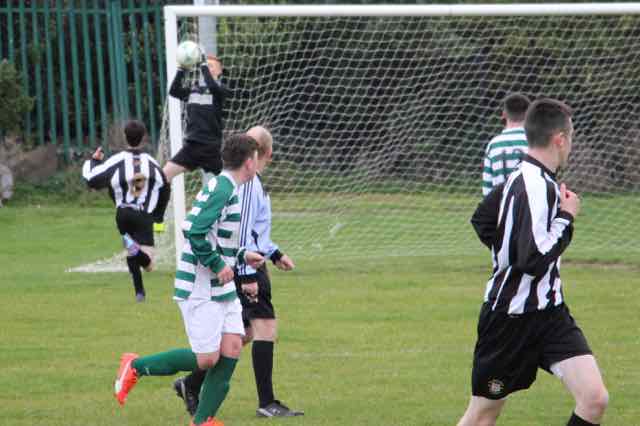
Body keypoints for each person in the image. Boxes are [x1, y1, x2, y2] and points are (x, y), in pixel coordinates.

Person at [459, 98, 608, 426]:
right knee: (483, 414)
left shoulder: (529, 177)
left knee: (594, 398)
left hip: (550, 314)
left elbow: (483, 221)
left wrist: (509, 249)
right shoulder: (532, 185)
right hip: (508, 319)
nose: (571, 145)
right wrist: (567, 217)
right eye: (571, 137)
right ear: (560, 139)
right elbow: (533, 259)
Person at [113, 134, 265, 426]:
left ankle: (203, 421)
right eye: (256, 158)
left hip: (220, 287)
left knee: (233, 346)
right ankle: (135, 366)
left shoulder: (227, 188)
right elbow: (193, 231)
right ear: (249, 162)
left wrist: (242, 255)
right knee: (207, 359)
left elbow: (216, 237)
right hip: (200, 286)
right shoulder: (223, 189)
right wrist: (217, 264)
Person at [173, 126, 303, 418]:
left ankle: (191, 383)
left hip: (249, 262)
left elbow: (255, 230)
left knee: (241, 335)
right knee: (264, 327)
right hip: (244, 268)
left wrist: (275, 254)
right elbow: (238, 233)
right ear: (263, 155)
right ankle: (266, 402)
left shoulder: (252, 182)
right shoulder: (246, 184)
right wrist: (247, 276)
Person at [82, 120, 170, 302]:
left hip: (122, 215)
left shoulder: (117, 160)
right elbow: (164, 187)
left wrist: (94, 161)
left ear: (125, 137)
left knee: (132, 252)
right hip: (142, 215)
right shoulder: (152, 162)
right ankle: (136, 256)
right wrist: (158, 216)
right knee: (148, 264)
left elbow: (91, 179)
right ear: (144, 138)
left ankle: (140, 292)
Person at [163, 53, 232, 182]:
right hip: (192, 146)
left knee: (232, 180)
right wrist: (181, 69)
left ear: (219, 71)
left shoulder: (221, 89)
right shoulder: (193, 89)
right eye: (206, 65)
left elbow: (212, 86)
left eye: (211, 66)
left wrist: (204, 65)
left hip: (211, 148)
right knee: (163, 176)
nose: (207, 68)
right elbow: (174, 91)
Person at [482, 93, 530, 197]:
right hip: (530, 205)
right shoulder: (536, 142)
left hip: (500, 205)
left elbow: (487, 189)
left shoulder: (493, 145)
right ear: (528, 114)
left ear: (504, 114)